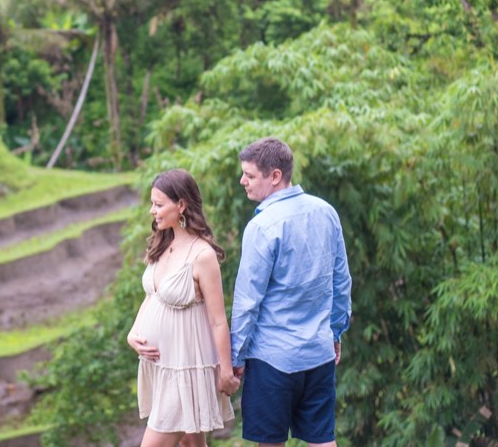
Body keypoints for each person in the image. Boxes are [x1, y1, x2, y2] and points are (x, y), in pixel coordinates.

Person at [230, 137, 353, 447]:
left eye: (249, 175)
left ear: (275, 176)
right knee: (323, 441)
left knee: (270, 443)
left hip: (273, 360)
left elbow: (248, 302)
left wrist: (235, 356)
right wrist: (335, 333)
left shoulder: (262, 226)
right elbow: (341, 282)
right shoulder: (326, 212)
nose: (242, 181)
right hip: (319, 352)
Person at [128, 168, 240, 447]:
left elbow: (217, 320)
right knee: (192, 445)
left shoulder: (202, 255)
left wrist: (225, 371)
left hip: (187, 367)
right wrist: (133, 334)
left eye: (158, 204)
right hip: (162, 366)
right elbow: (151, 297)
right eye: (152, 203)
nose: (152, 211)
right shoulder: (162, 243)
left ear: (181, 205)